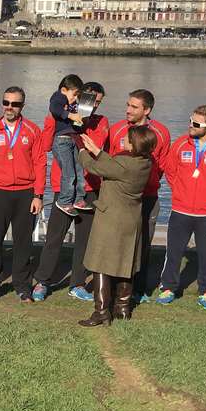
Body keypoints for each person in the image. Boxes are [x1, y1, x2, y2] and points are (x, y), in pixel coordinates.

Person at [32, 82, 109, 302]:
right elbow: (47, 145)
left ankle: (77, 283)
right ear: (80, 96)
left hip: (89, 188)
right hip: (63, 189)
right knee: (54, 237)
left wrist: (80, 125)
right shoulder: (61, 116)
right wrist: (56, 121)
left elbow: (96, 150)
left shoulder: (101, 121)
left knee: (84, 240)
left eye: (98, 102)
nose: (94, 105)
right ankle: (42, 281)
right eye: (91, 100)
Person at [156, 105, 206, 311]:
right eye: (190, 120)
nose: (190, 125)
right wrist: (179, 190)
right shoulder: (180, 144)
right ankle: (168, 288)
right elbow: (170, 170)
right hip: (180, 210)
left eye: (195, 123)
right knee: (173, 253)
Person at [76, 126, 156, 326]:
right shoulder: (146, 162)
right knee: (125, 263)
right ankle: (122, 308)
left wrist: (81, 149)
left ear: (133, 144)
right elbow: (112, 165)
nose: (123, 141)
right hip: (131, 219)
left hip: (111, 219)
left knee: (100, 263)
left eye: (127, 139)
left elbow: (93, 167)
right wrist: (97, 150)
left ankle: (102, 311)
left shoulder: (124, 164)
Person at [0, 87, 46, 302]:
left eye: (15, 104)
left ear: (22, 106)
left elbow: (40, 163)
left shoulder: (32, 130)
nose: (9, 107)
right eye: (6, 102)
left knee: (23, 243)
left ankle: (22, 286)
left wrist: (38, 195)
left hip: (25, 193)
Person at [108, 89, 171, 303]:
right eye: (128, 105)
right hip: (121, 198)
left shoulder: (161, 132)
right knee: (117, 242)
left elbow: (162, 165)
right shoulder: (117, 129)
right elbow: (109, 161)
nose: (128, 110)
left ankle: (138, 289)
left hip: (148, 197)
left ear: (147, 110)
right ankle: (113, 287)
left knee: (143, 244)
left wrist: (148, 183)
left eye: (134, 107)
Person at [48, 74, 90, 217]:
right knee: (69, 173)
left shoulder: (73, 103)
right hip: (61, 141)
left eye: (78, 95)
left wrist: (81, 116)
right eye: (75, 94)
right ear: (64, 90)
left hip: (73, 139)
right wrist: (71, 115)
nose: (75, 98)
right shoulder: (59, 97)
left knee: (79, 171)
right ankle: (64, 201)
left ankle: (79, 199)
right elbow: (54, 108)